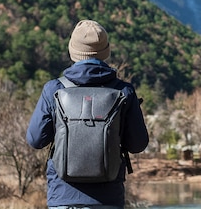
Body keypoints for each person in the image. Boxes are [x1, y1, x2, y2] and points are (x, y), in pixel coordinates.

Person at [26, 19, 149, 209]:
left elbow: (36, 140)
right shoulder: (124, 91)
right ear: (105, 51)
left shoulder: (54, 89)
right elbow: (138, 144)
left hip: (63, 196)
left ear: (73, 50)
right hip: (108, 198)